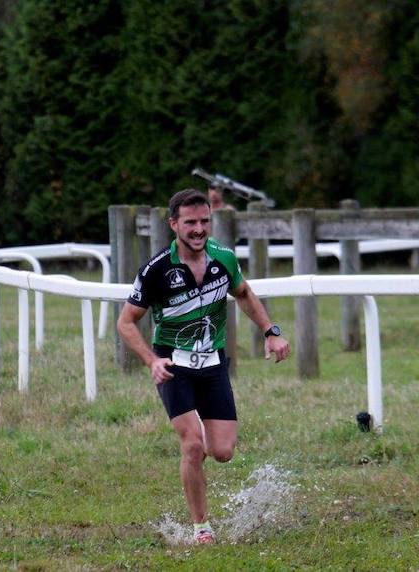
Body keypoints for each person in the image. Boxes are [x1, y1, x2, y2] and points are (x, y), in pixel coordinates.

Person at [117, 188, 290, 545]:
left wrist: (270, 331)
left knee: (222, 451)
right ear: (174, 224)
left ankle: (197, 473)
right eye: (190, 222)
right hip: (173, 364)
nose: (198, 229)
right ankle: (202, 528)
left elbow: (242, 293)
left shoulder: (223, 258)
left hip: (212, 365)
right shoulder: (156, 270)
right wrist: (151, 360)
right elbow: (126, 323)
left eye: (204, 221)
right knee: (193, 446)